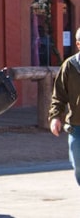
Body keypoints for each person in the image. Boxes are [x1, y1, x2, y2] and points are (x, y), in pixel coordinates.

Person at [48, 27, 80, 186]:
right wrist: (55, 117)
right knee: (78, 165)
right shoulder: (70, 66)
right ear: (78, 44)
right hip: (76, 124)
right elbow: (59, 95)